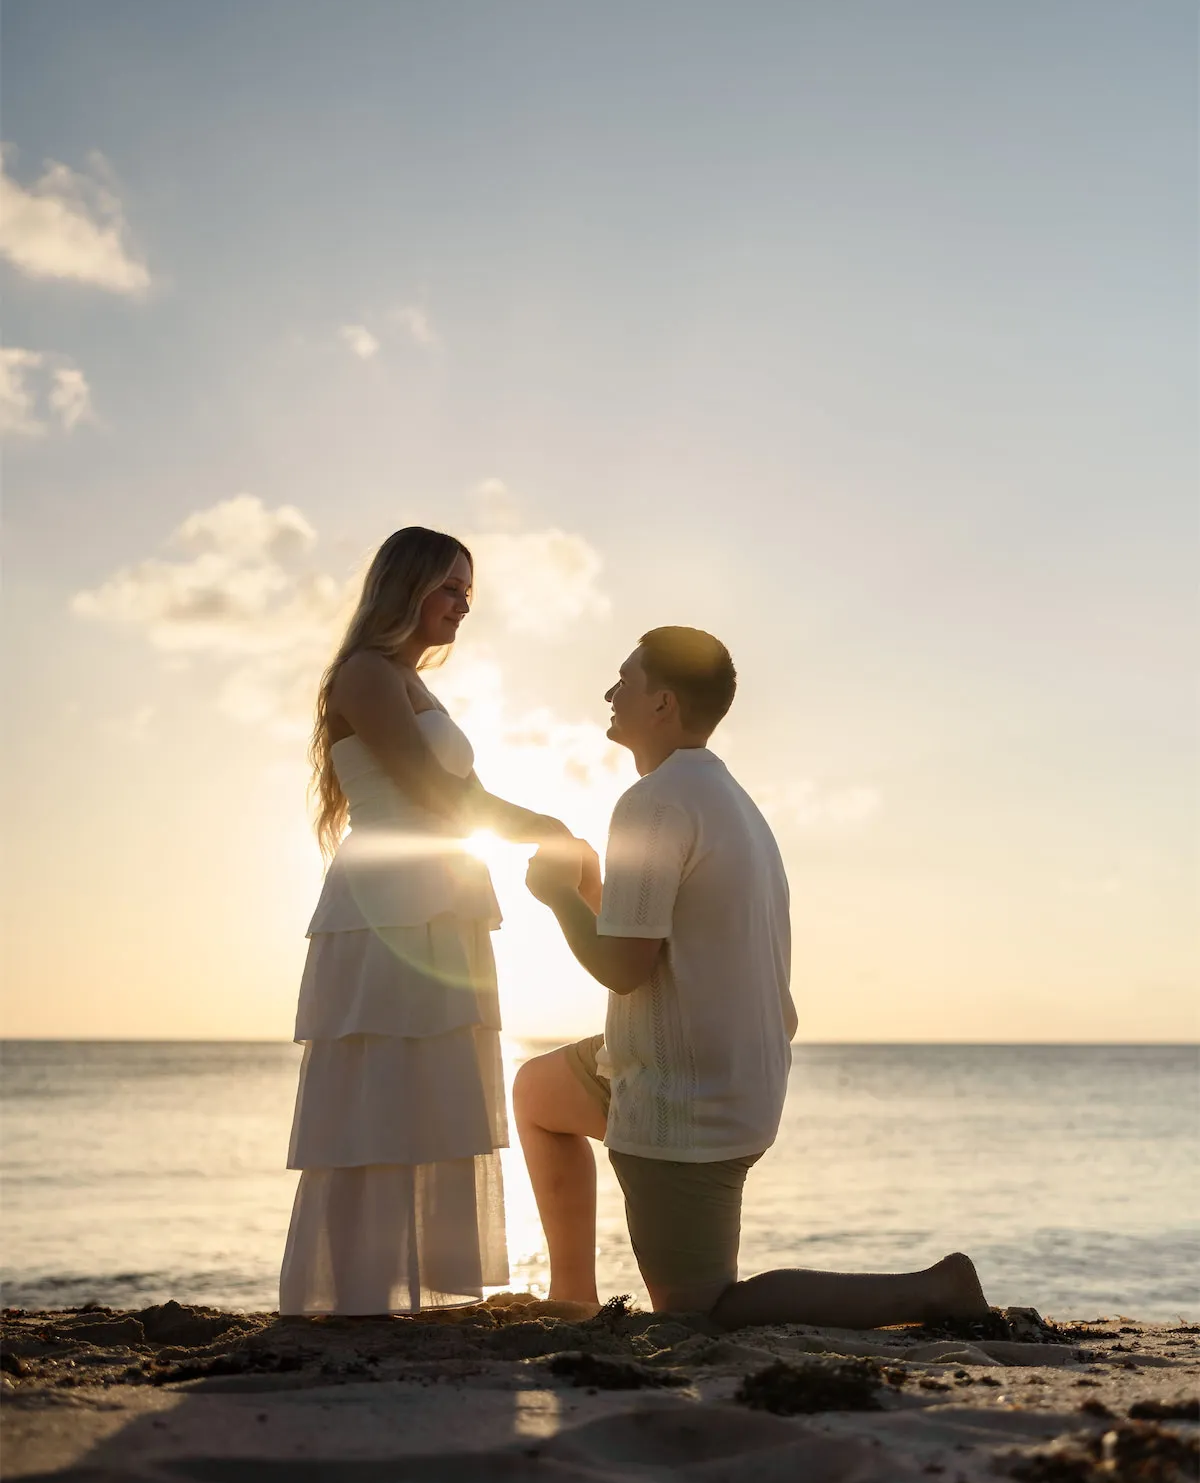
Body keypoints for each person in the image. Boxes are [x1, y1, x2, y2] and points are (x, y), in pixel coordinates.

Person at [515, 626, 991, 1330]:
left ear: (662, 704)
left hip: (687, 1097)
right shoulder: (719, 796)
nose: (611, 694)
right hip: (712, 1068)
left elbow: (624, 965)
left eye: (625, 681)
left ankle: (931, 1290)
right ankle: (572, 1298)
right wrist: (592, 887)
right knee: (538, 1091)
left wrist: (555, 895)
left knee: (699, 1312)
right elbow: (654, 941)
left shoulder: (654, 804)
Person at [279, 526, 567, 1316]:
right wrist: (548, 825)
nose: (461, 608)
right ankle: (356, 1296)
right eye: (449, 590)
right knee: (376, 1093)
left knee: (428, 1091)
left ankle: (409, 1294)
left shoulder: (410, 681)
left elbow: (455, 801)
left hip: (441, 896)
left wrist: (541, 828)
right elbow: (440, 795)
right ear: (404, 588)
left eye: (468, 595)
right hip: (387, 905)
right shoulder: (367, 676)